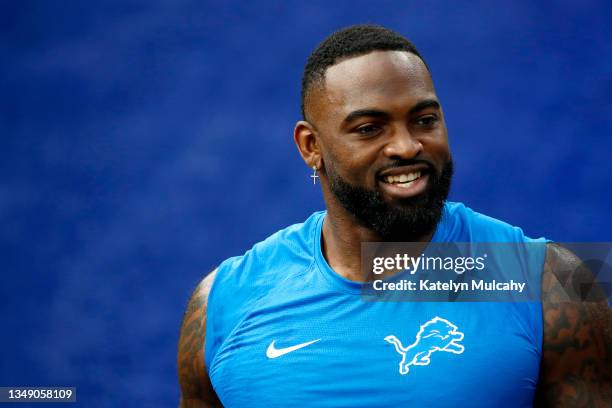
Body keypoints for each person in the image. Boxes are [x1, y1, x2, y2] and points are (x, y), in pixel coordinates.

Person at [177, 25, 611, 407]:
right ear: (311, 146)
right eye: (370, 128)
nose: (406, 146)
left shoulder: (547, 282)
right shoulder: (224, 301)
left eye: (424, 120)